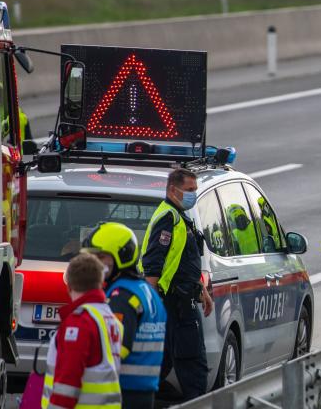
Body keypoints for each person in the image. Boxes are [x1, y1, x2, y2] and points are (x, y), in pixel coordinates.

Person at [141, 168, 211, 402]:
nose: (194, 194)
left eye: (195, 189)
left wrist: (201, 289)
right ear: (173, 190)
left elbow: (181, 262)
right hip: (175, 303)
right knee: (192, 365)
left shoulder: (180, 217)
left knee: (163, 362)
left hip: (180, 299)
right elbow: (153, 263)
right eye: (190, 190)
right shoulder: (168, 218)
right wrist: (150, 304)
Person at [83, 223, 167, 409]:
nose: (94, 263)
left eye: (100, 257)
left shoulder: (121, 296)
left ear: (121, 256)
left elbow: (118, 347)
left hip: (124, 390)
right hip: (143, 390)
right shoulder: (145, 290)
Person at [42, 253, 123, 409]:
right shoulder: (109, 317)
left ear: (69, 287)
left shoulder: (79, 322)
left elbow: (68, 381)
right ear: (101, 283)